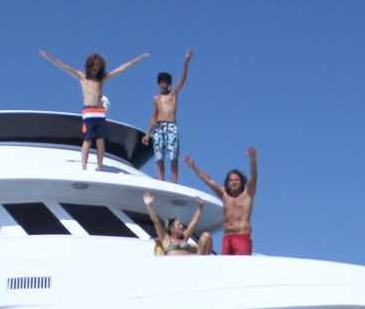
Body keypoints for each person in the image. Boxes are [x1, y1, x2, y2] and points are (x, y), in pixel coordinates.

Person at [39, 49, 149, 170]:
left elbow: (120, 69)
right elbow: (64, 66)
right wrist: (48, 57)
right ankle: (84, 166)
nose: (96, 68)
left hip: (100, 112)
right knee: (88, 139)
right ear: (89, 65)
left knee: (100, 140)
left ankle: (100, 166)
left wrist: (139, 58)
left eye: (98, 66)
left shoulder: (101, 79)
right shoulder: (82, 77)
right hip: (88, 111)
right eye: (94, 65)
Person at [184, 146, 258, 254]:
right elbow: (209, 180)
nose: (234, 182)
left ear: (242, 182)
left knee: (242, 264)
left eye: (236, 180)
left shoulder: (247, 194)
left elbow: (254, 177)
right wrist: (194, 167)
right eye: (231, 180)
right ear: (227, 183)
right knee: (225, 264)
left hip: (242, 236)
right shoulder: (224, 195)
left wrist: (253, 160)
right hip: (227, 238)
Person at [148, 49, 193, 182]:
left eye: (165, 82)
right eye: (161, 82)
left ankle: (174, 181)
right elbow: (154, 116)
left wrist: (186, 62)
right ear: (158, 84)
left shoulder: (173, 94)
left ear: (169, 84)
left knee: (173, 155)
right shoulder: (156, 98)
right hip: (158, 127)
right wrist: (147, 133)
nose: (163, 84)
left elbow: (183, 79)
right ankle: (161, 179)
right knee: (158, 156)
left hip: (171, 126)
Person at [141, 192, 212, 255]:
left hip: (193, 261)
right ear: (171, 229)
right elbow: (156, 221)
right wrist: (148, 205)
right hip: (175, 264)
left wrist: (200, 206)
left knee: (206, 235)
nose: (182, 226)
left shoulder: (184, 237)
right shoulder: (165, 239)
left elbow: (194, 221)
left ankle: (206, 260)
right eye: (179, 225)